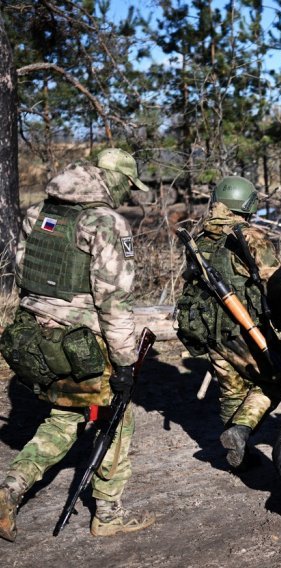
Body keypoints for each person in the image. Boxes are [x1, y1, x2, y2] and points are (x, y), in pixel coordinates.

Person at [0, 148, 154, 541]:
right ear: (113, 179)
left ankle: (9, 488)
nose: (126, 194)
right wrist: (124, 361)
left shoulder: (41, 214)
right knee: (118, 419)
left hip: (34, 336)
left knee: (64, 416)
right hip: (83, 344)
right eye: (127, 185)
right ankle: (108, 512)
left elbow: (23, 271)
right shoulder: (106, 223)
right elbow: (114, 300)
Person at [176, 176, 281, 469]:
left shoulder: (199, 237)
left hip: (209, 329)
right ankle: (241, 430)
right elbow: (275, 283)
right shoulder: (250, 235)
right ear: (247, 205)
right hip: (246, 328)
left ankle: (237, 453)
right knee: (275, 381)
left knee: (231, 389)